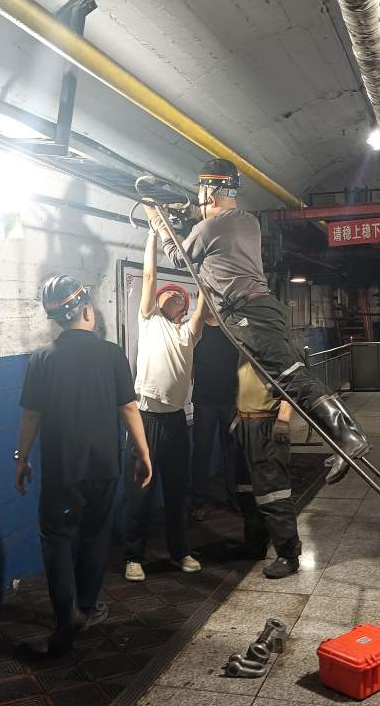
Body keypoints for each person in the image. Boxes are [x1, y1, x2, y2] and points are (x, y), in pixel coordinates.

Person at [149, 157, 371, 485]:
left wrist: (159, 223)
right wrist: (187, 221)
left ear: (209, 193)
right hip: (264, 309)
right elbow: (211, 242)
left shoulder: (208, 228)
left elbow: (179, 258)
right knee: (288, 376)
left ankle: (349, 437)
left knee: (291, 377)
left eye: (200, 193)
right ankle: (343, 439)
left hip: (248, 314)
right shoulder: (248, 221)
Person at [14, 275, 153, 656]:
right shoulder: (112, 355)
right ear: (87, 310)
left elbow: (31, 417)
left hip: (62, 470)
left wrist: (21, 459)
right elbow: (129, 408)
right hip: (104, 467)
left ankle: (66, 617)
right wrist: (143, 453)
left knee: (57, 539)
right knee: (95, 536)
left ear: (56, 319)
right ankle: (87, 608)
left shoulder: (42, 359)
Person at [123, 229, 207, 582]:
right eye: (166, 293)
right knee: (140, 491)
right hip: (145, 419)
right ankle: (133, 557)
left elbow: (205, 298)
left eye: (177, 295)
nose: (171, 294)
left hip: (175, 421)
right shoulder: (149, 320)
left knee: (176, 490)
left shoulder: (189, 333)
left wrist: (207, 260)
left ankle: (180, 550)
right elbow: (149, 276)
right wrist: (153, 235)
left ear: (184, 307)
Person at [232, 360, 302, 578]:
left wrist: (283, 419)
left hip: (267, 425)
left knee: (274, 492)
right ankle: (255, 543)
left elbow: (294, 384)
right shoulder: (244, 349)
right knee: (247, 488)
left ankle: (288, 555)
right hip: (245, 423)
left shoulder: (276, 347)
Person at [190, 310, 240, 520]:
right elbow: (189, 364)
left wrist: (239, 400)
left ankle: (234, 498)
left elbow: (240, 365)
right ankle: (198, 502)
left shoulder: (232, 329)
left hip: (229, 401)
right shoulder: (197, 329)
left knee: (231, 452)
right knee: (202, 453)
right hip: (204, 402)